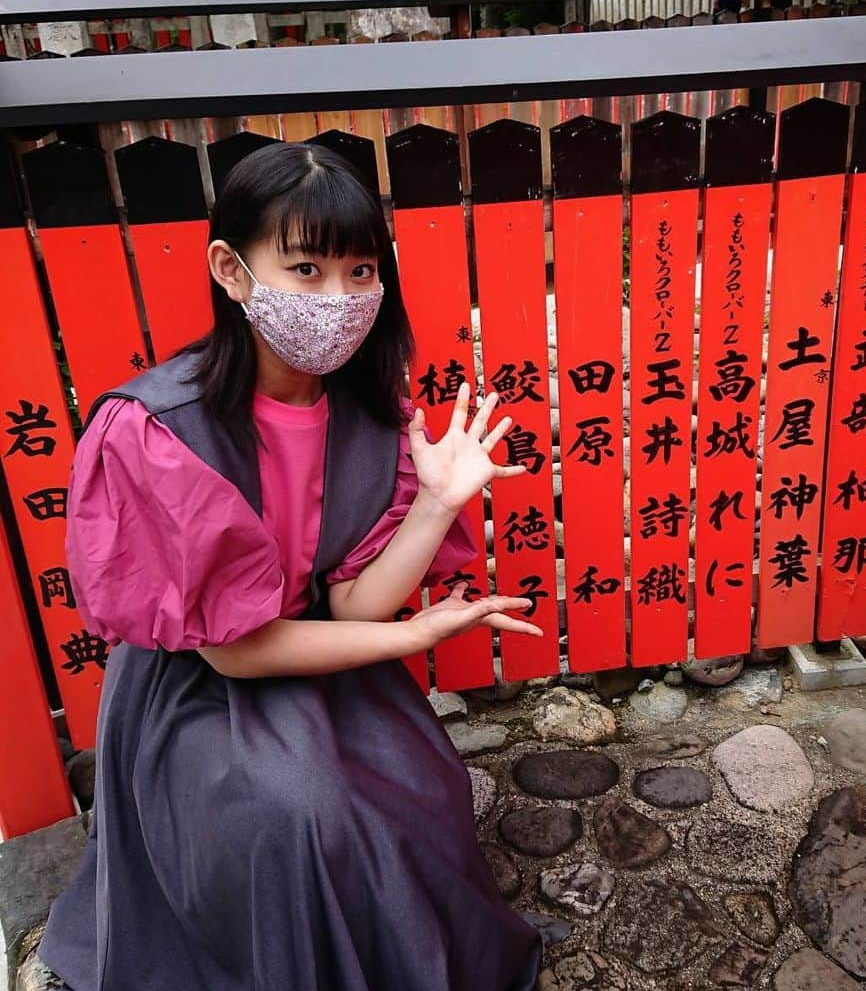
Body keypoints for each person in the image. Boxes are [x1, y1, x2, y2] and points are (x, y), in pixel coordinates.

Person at [37, 142, 545, 990]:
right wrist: (415, 636)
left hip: (323, 655)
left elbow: (350, 607)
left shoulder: (370, 413)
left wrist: (435, 505)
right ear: (231, 271)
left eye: (359, 272)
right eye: (305, 269)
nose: (339, 300)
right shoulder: (158, 430)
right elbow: (234, 650)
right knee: (297, 815)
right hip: (196, 686)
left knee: (425, 792)